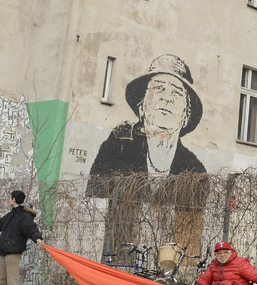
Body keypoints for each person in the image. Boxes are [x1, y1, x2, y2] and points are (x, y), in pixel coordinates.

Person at [86, 54, 207, 198]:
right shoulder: (117, 147)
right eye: (159, 88)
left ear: (186, 116)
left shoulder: (194, 170)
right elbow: (95, 201)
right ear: (142, 106)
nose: (167, 98)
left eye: (176, 92)